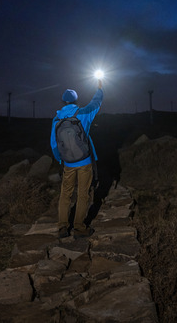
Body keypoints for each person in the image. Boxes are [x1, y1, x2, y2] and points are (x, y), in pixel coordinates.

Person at [50, 79, 103, 238]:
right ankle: (79, 228)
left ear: (63, 101)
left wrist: (61, 160)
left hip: (68, 163)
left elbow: (54, 144)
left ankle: (62, 227)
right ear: (76, 100)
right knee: (82, 194)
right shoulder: (83, 113)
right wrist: (100, 89)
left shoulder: (57, 119)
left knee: (65, 194)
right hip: (85, 161)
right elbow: (96, 103)